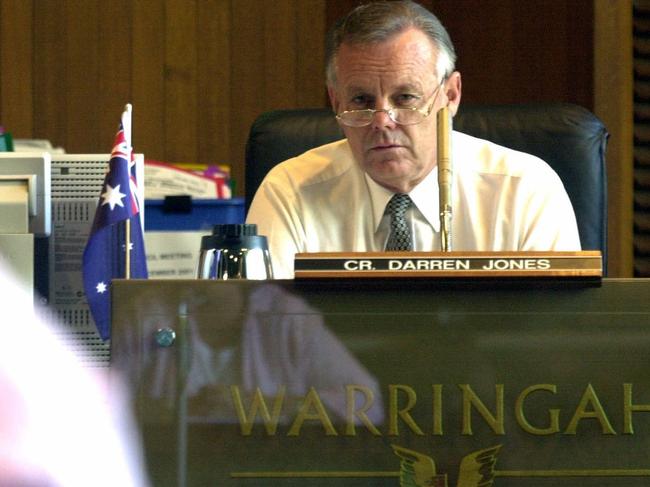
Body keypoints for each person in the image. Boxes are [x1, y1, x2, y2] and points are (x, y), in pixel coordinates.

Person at [246, 0, 581, 279]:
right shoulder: (290, 191)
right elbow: (263, 335)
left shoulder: (525, 190)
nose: (381, 121)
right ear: (336, 102)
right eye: (361, 101)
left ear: (450, 95)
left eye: (405, 98)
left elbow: (552, 337)